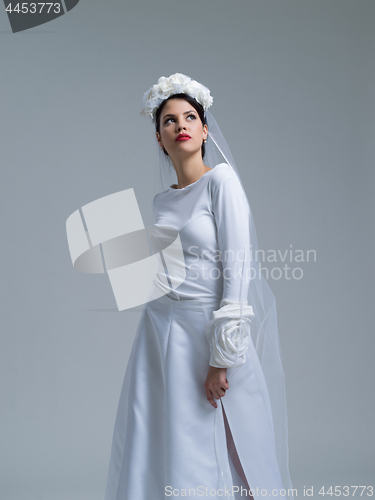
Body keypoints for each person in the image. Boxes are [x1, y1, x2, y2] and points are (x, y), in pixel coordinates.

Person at [104, 73, 294, 500]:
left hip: (208, 336)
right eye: (169, 121)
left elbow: (237, 270)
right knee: (167, 444)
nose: (180, 125)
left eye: (190, 116)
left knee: (226, 446)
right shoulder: (162, 200)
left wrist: (221, 358)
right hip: (159, 336)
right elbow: (165, 275)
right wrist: (121, 260)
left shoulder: (221, 182)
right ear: (159, 138)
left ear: (205, 130)